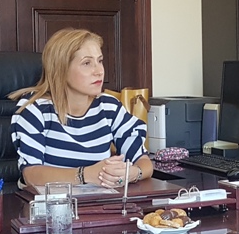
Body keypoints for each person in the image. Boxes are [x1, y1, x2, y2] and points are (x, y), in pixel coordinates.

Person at [10, 28, 153, 189]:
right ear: (61, 69)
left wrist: (132, 173)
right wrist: (85, 175)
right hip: (53, 202)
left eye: (100, 61)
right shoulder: (35, 110)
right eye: (87, 63)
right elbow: (31, 174)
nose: (99, 71)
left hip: (99, 201)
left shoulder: (109, 107)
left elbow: (144, 162)